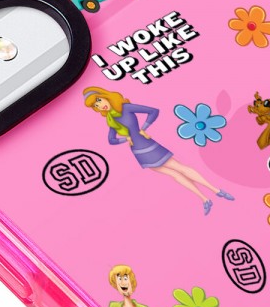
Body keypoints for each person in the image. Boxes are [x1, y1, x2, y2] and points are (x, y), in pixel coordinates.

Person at [83, 86, 233, 216]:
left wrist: (143, 128)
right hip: (137, 150)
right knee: (174, 174)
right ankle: (204, 199)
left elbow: (153, 111)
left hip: (147, 143)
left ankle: (216, 190)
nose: (100, 105)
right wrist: (126, 138)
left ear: (106, 97)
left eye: (99, 100)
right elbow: (111, 140)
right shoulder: (110, 119)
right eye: (96, 105)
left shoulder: (126, 108)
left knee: (179, 167)